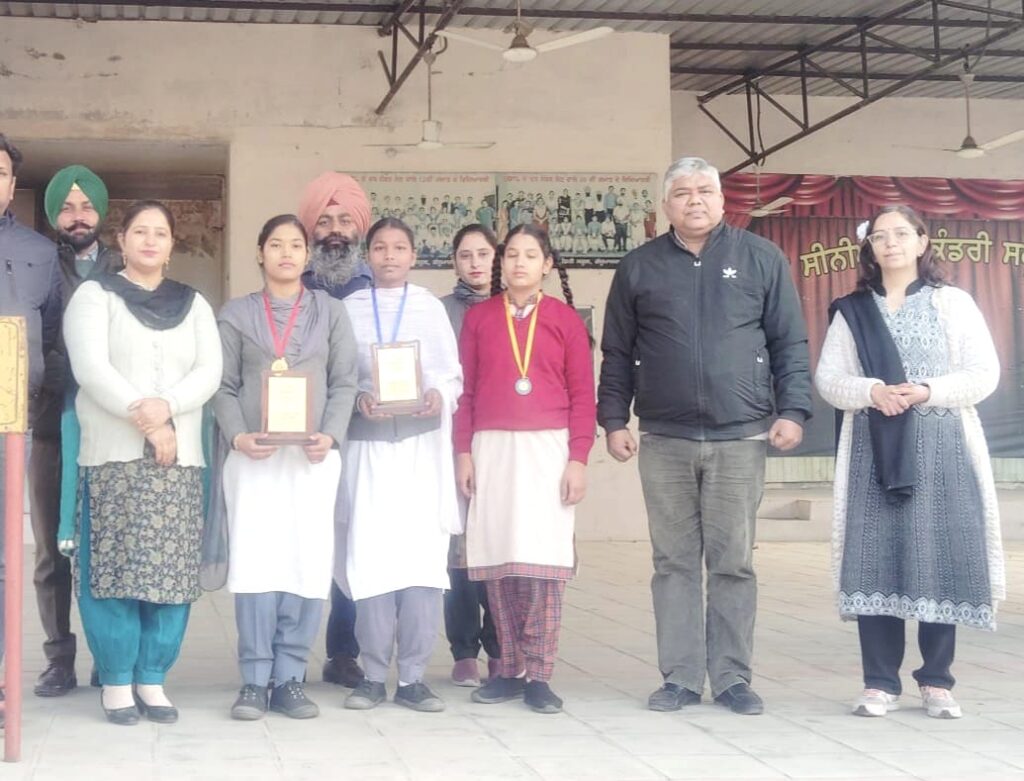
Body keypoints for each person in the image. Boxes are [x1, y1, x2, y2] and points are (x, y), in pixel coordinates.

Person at [598, 156, 811, 716]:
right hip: (664, 437)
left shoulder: (761, 258)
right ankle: (681, 677)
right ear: (665, 205)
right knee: (673, 562)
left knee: (733, 562)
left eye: (705, 191)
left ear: (722, 200)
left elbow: (789, 341)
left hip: (740, 437)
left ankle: (733, 677)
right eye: (683, 193)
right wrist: (614, 419)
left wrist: (793, 409)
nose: (695, 200)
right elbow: (617, 350)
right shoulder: (639, 266)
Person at [814, 205, 1004, 720]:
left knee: (939, 554)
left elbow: (983, 374)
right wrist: (873, 391)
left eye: (901, 234)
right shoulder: (853, 311)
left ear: (922, 241)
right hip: (873, 449)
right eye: (880, 236)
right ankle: (879, 683)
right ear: (869, 248)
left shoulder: (953, 303)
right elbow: (829, 379)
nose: (891, 243)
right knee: (874, 556)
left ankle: (937, 681)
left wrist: (925, 390)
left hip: (943, 449)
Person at [62, 200, 222, 725]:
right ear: (122, 240)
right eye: (140, 232)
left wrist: (169, 406)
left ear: (172, 245)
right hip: (113, 459)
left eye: (160, 233)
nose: (150, 241)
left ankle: (152, 678)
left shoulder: (194, 304)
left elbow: (209, 372)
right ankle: (115, 680)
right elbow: (91, 368)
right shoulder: (95, 296)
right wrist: (151, 421)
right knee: (111, 575)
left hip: (179, 466)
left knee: (170, 577)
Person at [213, 215, 358, 721]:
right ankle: (255, 679)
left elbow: (345, 382)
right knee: (256, 563)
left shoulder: (331, 312)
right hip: (254, 459)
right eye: (276, 244)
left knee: (305, 561)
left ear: (307, 255)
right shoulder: (236, 314)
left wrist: (331, 435)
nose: (287, 253)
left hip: (311, 460)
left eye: (296, 245)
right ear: (260, 253)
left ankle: (291, 677)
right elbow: (222, 386)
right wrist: (238, 435)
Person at [455, 224, 595, 715]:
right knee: (499, 562)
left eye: (530, 255)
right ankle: (509, 670)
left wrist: (578, 459)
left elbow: (583, 396)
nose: (519, 263)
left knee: (543, 565)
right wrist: (463, 451)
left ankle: (540, 674)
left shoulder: (565, 320)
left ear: (547, 265)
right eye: (511, 254)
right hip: (491, 448)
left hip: (548, 450)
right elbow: (465, 392)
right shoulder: (479, 319)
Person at [338, 217, 462, 713]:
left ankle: (412, 677)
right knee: (370, 560)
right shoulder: (348, 309)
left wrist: (437, 395)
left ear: (413, 255)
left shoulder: (430, 308)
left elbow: (452, 376)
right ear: (367, 255)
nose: (389, 256)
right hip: (367, 449)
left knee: (420, 561)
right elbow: (339, 378)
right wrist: (360, 398)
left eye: (399, 248)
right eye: (380, 248)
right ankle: (372, 675)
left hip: (421, 451)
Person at [32, 165, 122, 698]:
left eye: (86, 206)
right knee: (52, 552)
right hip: (51, 425)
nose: (77, 216)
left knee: (108, 548)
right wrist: (63, 373)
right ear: (53, 217)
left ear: (101, 212)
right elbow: (29, 335)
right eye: (66, 208)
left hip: (113, 429)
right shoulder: (38, 265)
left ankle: (109, 657)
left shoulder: (124, 266)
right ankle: (58, 659)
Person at [297, 170, 371, 689]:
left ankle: (344, 651)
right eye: (324, 221)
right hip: (299, 438)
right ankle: (288, 653)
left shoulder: (379, 288)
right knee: (301, 540)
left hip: (363, 435)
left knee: (352, 542)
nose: (336, 231)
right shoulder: (292, 286)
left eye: (345, 219)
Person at [0, 134, 62, 722]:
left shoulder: (40, 253)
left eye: (0, 173)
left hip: (9, 424)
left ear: (12, 185)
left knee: (3, 555)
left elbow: (50, 339)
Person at [439, 224, 501, 688]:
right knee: (457, 551)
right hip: (452, 440)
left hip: (503, 441)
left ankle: (500, 645)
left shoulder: (515, 307)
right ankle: (463, 650)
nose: (475, 263)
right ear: (454, 262)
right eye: (465, 255)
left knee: (500, 545)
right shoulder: (440, 312)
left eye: (483, 253)